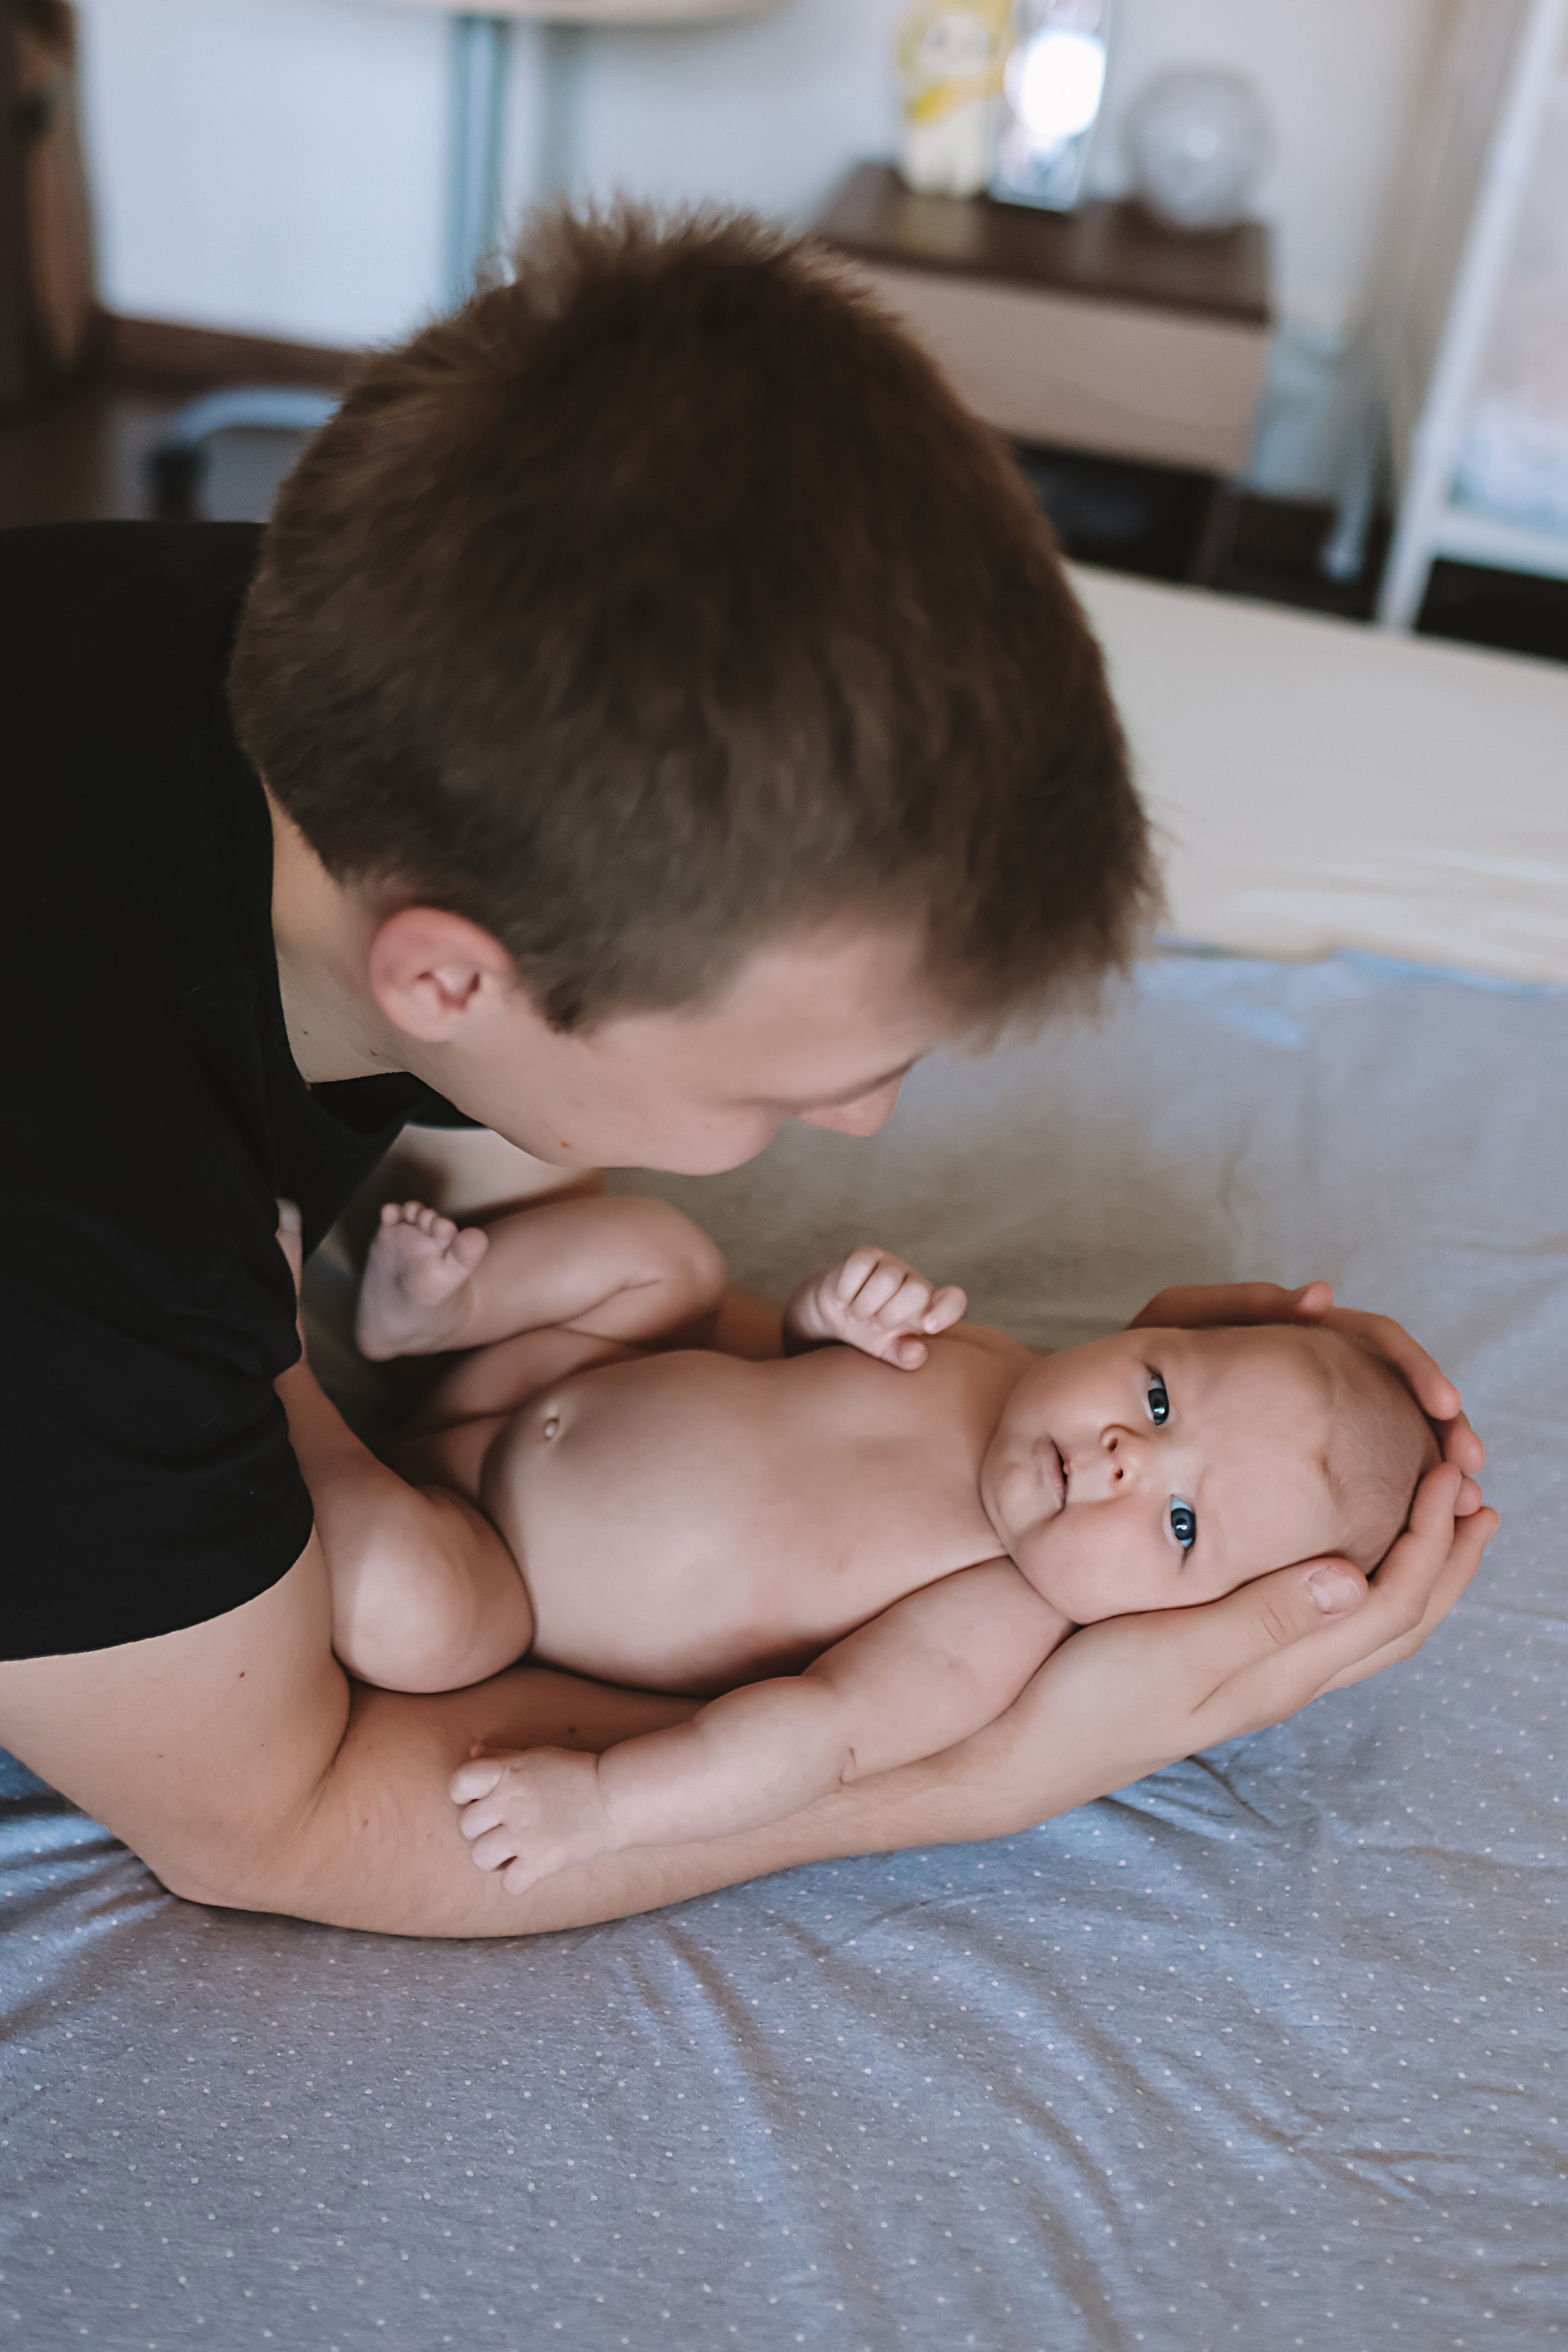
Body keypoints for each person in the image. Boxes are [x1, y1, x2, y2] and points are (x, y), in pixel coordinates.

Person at [0, 208, 1493, 1939]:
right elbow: (290, 1819)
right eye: (785, 1093)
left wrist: (1206, 1365)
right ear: (453, 975)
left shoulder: (335, 652)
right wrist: (1002, 1773)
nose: (862, 1122)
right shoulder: (68, 1261)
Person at [274, 1194, 1444, 1898]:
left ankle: (283, 1378)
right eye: (1155, 1396)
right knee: (664, 1255)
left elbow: (814, 1738)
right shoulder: (988, 1360)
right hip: (559, 1371)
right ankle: (427, 1318)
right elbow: (784, 1364)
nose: (1131, 1457)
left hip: (497, 1570)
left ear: (1176, 1625)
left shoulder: (990, 1618)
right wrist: (829, 1316)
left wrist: (606, 1808)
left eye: (1182, 1525)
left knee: (401, 1612)